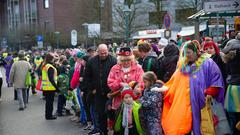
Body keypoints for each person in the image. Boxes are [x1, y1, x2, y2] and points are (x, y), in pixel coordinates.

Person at [161, 40, 225, 135]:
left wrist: (211, 91)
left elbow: (216, 77)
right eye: (185, 53)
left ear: (196, 51)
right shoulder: (183, 67)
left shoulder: (208, 63)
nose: (186, 55)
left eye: (189, 53)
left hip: (204, 102)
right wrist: (163, 89)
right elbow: (174, 82)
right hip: (188, 103)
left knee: (206, 126)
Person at [84, 44, 117, 135]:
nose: (103, 55)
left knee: (112, 114)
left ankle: (113, 131)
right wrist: (92, 89)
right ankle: (103, 131)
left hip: (111, 93)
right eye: (101, 53)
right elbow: (87, 76)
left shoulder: (113, 60)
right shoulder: (91, 61)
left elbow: (117, 76)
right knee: (100, 114)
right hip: (98, 93)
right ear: (98, 52)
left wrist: (113, 90)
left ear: (108, 51)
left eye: (105, 53)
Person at [221, 33, 240, 135]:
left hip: (232, 87)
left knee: (233, 116)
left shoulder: (229, 56)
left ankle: (234, 131)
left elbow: (227, 71)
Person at [42, 53, 59, 120]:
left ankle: (48, 115)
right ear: (51, 59)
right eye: (53, 59)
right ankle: (49, 116)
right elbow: (51, 79)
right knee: (50, 103)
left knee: (48, 103)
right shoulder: (50, 67)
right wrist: (56, 88)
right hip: (50, 88)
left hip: (46, 87)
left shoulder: (45, 65)